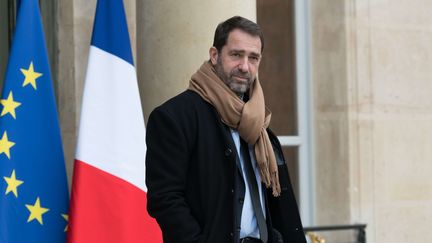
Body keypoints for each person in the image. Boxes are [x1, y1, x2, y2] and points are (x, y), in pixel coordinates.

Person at [145, 16, 306, 243]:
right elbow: (165, 199)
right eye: (236, 54)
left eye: (253, 58)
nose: (244, 66)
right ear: (214, 55)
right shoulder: (174, 117)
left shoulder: (258, 123)